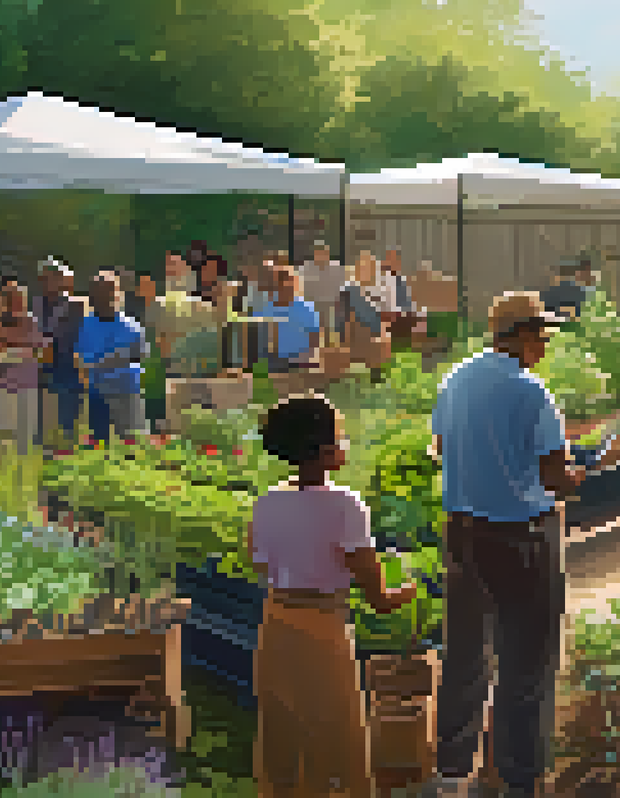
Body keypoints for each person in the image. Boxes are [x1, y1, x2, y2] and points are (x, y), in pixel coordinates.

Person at [429, 292, 580, 798]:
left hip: (463, 533)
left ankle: (451, 769)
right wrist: (578, 473)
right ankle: (518, 776)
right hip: (521, 538)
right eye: (539, 334)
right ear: (516, 335)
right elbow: (554, 475)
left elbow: (442, 451)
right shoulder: (530, 391)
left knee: (466, 652)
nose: (544, 344)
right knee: (526, 662)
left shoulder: (455, 379)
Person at [249, 392, 413, 798]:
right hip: (323, 629)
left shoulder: (267, 503)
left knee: (283, 736)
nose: (346, 444)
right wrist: (408, 590)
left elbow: (261, 565)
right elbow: (377, 596)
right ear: (323, 452)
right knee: (336, 739)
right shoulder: (346, 506)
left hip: (275, 626)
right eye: (342, 437)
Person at [75, 271, 149, 444]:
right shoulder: (85, 325)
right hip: (97, 393)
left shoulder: (132, 326)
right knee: (99, 445)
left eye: (108, 291)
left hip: (127, 392)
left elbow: (141, 354)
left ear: (117, 294)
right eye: (98, 291)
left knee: (133, 444)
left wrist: (110, 360)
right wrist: (110, 359)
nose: (103, 296)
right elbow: (81, 359)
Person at [0, 281, 47, 454]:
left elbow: (41, 352)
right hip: (1, 387)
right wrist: (14, 350)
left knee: (24, 436)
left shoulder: (31, 321)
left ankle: (20, 469)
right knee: (0, 437)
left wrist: (12, 350)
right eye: (12, 299)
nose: (16, 303)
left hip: (26, 387)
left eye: (19, 299)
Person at [34, 259, 87, 449]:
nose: (50, 282)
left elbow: (81, 335)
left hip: (67, 367)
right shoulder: (34, 304)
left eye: (55, 277)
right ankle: (38, 450)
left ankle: (66, 450)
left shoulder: (76, 306)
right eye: (45, 278)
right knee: (38, 416)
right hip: (39, 367)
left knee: (67, 416)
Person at [260, 265, 321, 372]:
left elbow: (315, 341)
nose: (289, 286)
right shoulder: (265, 310)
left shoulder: (306, 308)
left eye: (292, 281)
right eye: (283, 282)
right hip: (272, 362)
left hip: (300, 363)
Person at [301, 243, 345, 349]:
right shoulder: (307, 268)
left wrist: (336, 300)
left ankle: (328, 348)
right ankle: (312, 348)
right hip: (312, 303)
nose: (321, 256)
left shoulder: (336, 267)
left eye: (324, 253)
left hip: (330, 302)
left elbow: (341, 285)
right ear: (315, 255)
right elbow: (305, 287)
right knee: (313, 329)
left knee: (329, 327)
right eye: (319, 253)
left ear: (328, 254)